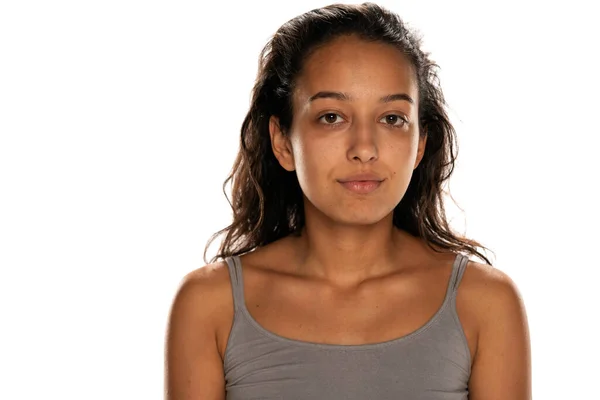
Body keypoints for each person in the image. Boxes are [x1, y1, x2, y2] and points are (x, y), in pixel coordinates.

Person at [165, 3, 531, 399]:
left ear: (420, 144)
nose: (364, 149)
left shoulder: (485, 305)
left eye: (392, 118)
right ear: (282, 142)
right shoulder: (208, 306)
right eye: (331, 117)